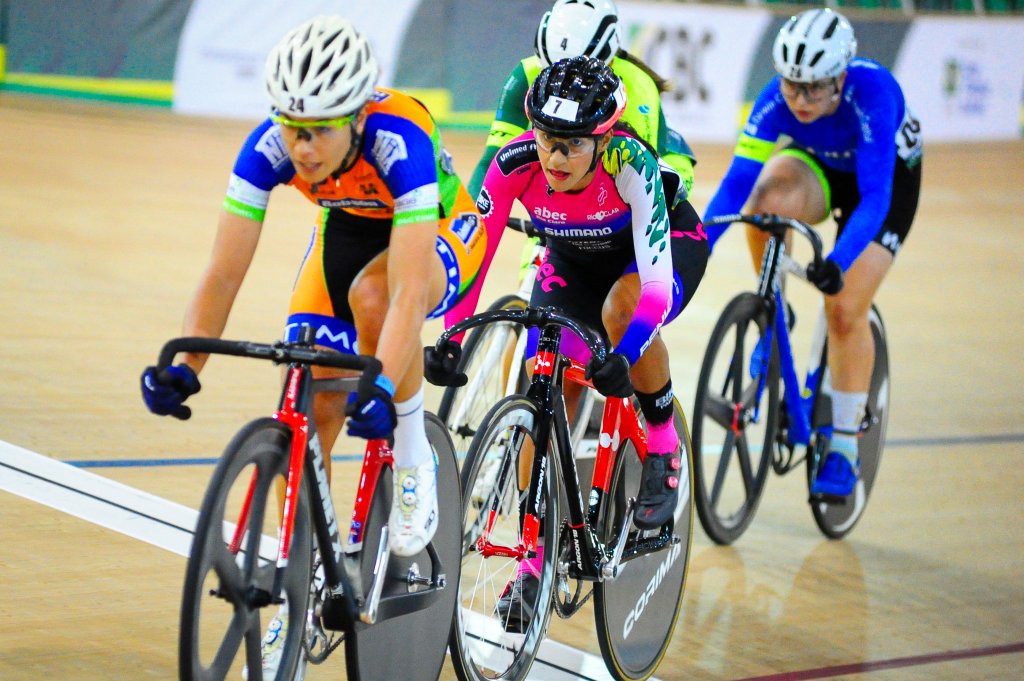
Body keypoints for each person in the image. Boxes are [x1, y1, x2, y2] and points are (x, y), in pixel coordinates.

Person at [139, 15, 486, 676]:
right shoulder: (267, 148)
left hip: (439, 229)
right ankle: (298, 593)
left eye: (320, 129)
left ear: (356, 117)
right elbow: (223, 272)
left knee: (375, 301)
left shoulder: (401, 138)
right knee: (307, 389)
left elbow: (409, 292)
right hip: (347, 233)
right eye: (292, 126)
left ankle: (414, 456)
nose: (301, 146)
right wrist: (187, 363)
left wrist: (382, 386)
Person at [462, 56, 708, 629]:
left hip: (655, 254)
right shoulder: (513, 163)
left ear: (603, 138)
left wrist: (626, 354)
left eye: (573, 145)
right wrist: (453, 333)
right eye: (547, 139)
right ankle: (533, 560)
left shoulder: (632, 164)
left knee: (622, 312)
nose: (556, 157)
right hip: (573, 262)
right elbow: (477, 255)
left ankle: (663, 444)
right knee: (546, 378)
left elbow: (652, 289)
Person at [703, 8, 922, 497]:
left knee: (843, 308)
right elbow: (737, 184)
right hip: (819, 166)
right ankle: (772, 305)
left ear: (840, 77)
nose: (800, 100)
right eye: (791, 86)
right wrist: (698, 246)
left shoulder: (874, 93)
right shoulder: (774, 99)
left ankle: (844, 444)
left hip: (882, 185)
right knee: (765, 201)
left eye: (814, 89)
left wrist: (837, 262)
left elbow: (875, 198)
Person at [467, 0, 696, 205]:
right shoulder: (526, 74)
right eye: (552, 71)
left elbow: (640, 180)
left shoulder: (636, 85)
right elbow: (493, 161)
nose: (561, 83)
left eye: (574, 77)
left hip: (663, 166)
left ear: (607, 61)